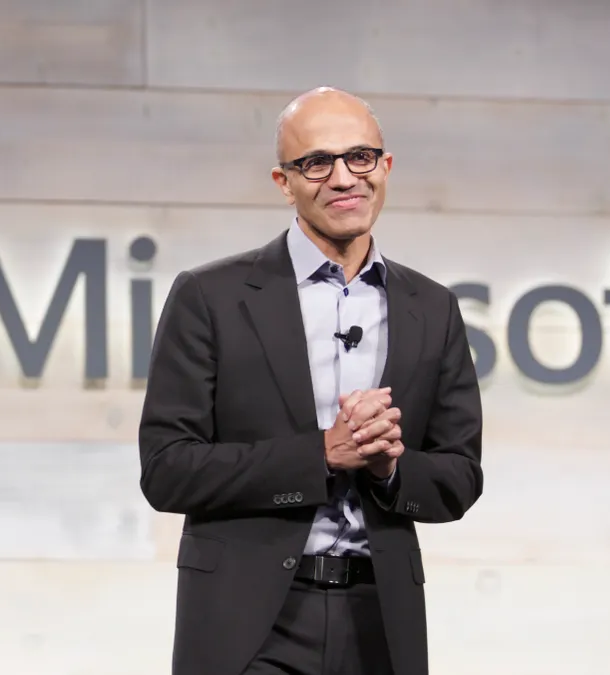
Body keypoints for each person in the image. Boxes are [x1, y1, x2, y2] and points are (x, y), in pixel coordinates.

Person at [138, 86, 484, 675]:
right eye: (317, 163)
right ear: (284, 182)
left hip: (381, 618)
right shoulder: (210, 297)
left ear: (386, 166)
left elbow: (460, 475)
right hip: (249, 623)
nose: (344, 178)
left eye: (360, 157)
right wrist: (322, 455)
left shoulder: (432, 306)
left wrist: (389, 467)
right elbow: (167, 470)